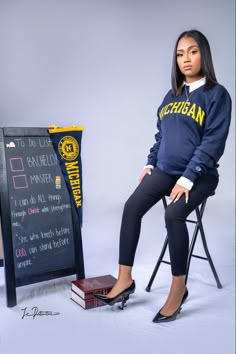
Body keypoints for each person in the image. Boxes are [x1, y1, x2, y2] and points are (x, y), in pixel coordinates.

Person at [94, 29, 232, 323]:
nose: (186, 59)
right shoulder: (172, 95)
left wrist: (188, 177)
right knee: (131, 208)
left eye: (192, 51)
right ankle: (124, 280)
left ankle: (178, 289)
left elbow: (213, 142)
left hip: (201, 175)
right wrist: (150, 163)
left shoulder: (217, 95)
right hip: (166, 171)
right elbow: (162, 136)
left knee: (173, 216)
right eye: (180, 54)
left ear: (203, 54)